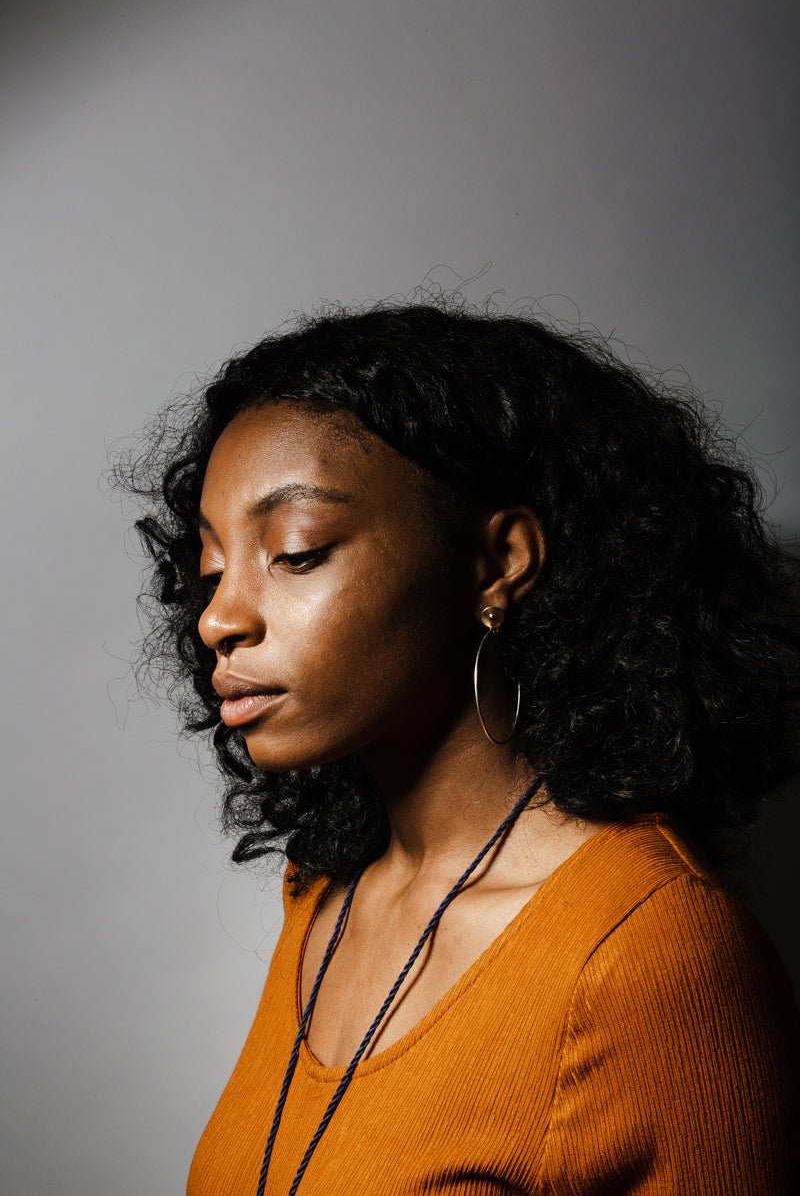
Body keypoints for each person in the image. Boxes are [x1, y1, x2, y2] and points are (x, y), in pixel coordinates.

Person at [110, 295, 800, 1193]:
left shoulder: (651, 954)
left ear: (500, 562)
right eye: (210, 568)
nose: (219, 617)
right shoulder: (321, 892)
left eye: (297, 550)